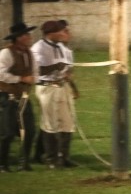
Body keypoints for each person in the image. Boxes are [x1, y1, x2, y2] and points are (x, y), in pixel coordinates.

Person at [31, 20, 78, 169]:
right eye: (60, 31)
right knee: (50, 123)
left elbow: (68, 68)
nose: (63, 33)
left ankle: (64, 157)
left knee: (67, 122)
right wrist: (54, 67)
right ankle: (50, 158)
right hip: (47, 87)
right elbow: (37, 71)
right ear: (50, 33)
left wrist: (70, 80)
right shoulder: (38, 48)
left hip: (62, 87)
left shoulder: (62, 48)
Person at [0, 23, 37, 172]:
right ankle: (2, 164)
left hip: (24, 97)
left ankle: (24, 162)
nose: (29, 37)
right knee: (7, 132)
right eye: (25, 35)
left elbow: (35, 71)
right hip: (7, 97)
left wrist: (34, 79)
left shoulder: (29, 53)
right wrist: (21, 78)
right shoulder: (6, 53)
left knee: (30, 130)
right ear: (18, 38)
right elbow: (1, 74)